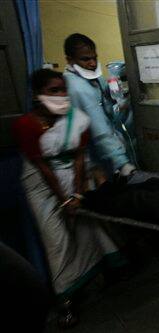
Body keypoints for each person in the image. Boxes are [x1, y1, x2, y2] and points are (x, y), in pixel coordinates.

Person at [12, 69, 126, 328]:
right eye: (54, 91)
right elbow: (42, 167)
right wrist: (63, 200)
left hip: (73, 179)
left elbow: (78, 158)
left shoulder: (77, 120)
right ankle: (66, 301)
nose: (61, 95)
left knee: (88, 228)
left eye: (63, 90)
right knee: (57, 241)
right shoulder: (26, 126)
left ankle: (104, 274)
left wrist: (76, 195)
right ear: (37, 94)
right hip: (42, 186)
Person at [63, 33, 136, 180]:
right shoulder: (77, 87)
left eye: (94, 58)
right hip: (93, 152)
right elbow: (99, 128)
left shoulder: (92, 77)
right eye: (85, 59)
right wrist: (121, 162)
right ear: (70, 60)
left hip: (107, 147)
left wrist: (119, 98)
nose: (92, 63)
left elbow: (108, 105)